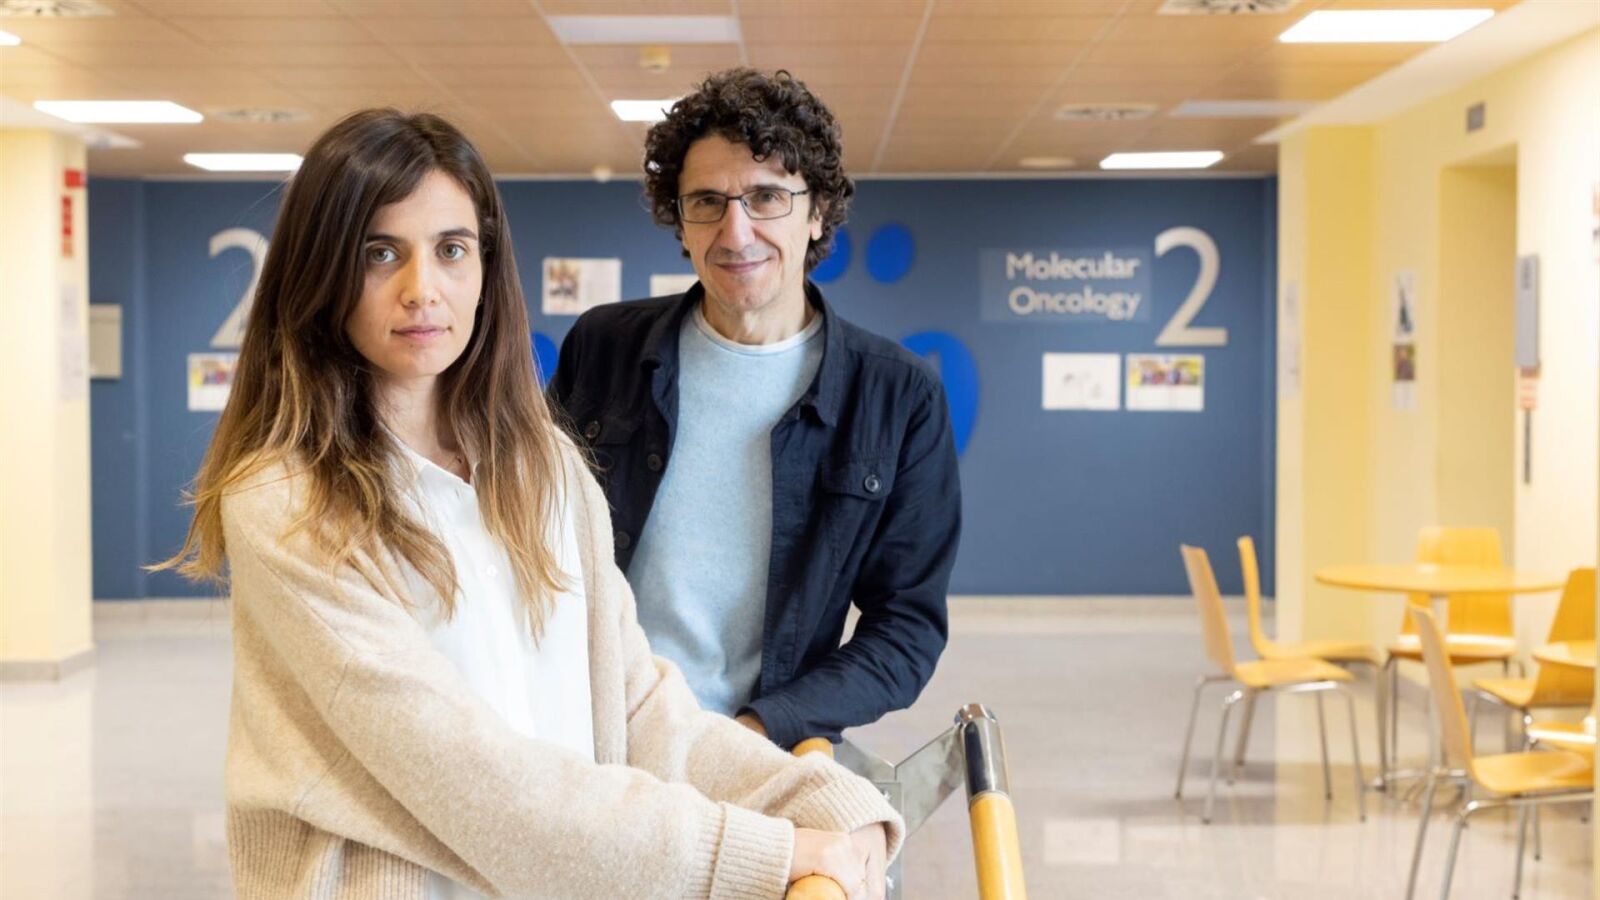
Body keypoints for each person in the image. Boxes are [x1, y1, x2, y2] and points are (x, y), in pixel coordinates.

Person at [156, 108, 899, 900]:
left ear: (485, 265)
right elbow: (470, 779)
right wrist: (762, 852)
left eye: (451, 250)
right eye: (380, 253)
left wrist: (824, 800)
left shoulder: (546, 469)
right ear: (322, 274)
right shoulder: (289, 503)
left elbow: (638, 705)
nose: (422, 290)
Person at [548, 69, 962, 752]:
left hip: (763, 750)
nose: (735, 233)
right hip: (591, 733)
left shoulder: (897, 395)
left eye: (767, 197)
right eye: (706, 202)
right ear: (680, 220)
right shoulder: (604, 348)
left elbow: (906, 629)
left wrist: (760, 730)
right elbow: (528, 531)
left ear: (817, 211)